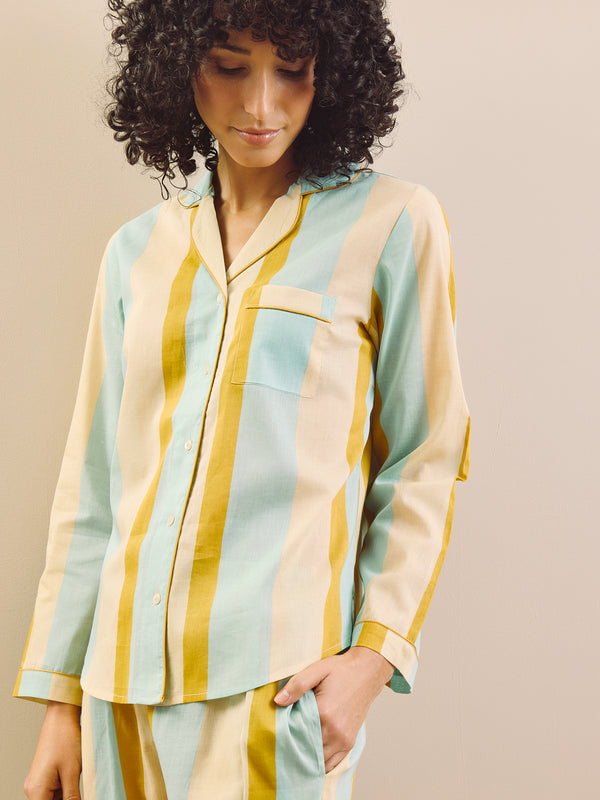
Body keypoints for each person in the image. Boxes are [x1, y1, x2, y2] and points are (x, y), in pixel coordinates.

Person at [15, 0, 470, 798]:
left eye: (292, 69)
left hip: (272, 694)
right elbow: (92, 485)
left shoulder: (394, 223)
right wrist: (60, 700)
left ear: (331, 69)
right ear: (178, 64)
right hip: (114, 692)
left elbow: (426, 456)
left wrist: (371, 659)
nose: (261, 105)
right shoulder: (137, 253)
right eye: (229, 66)